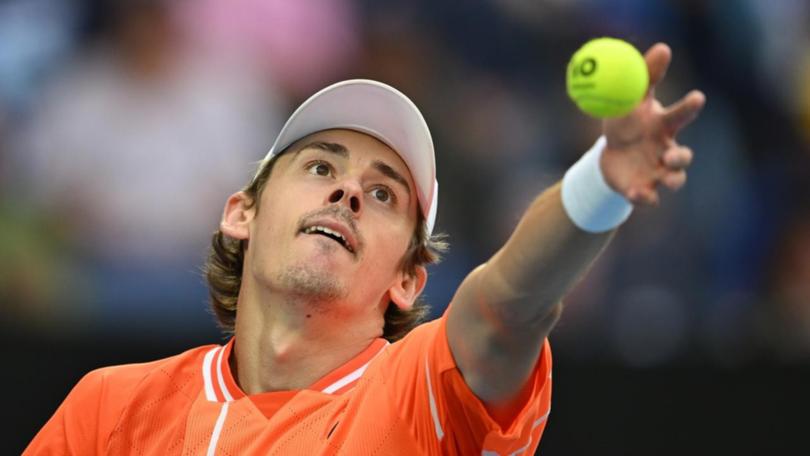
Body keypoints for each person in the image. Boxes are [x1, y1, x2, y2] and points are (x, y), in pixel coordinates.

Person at [24, 43, 704, 455]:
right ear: (242, 213)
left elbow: (505, 309)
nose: (348, 191)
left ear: (408, 281)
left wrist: (600, 183)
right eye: (321, 167)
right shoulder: (108, 411)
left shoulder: (416, 398)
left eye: (383, 195)